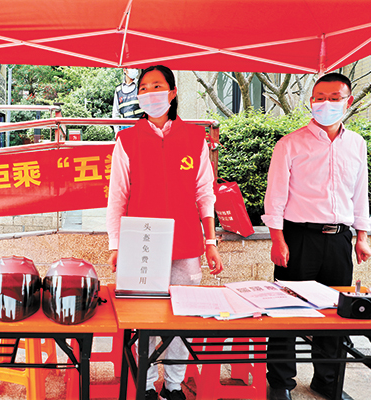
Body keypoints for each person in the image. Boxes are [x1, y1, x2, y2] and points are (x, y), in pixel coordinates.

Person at [107, 65, 223, 400]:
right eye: (143, 88)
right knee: (143, 320)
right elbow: (117, 197)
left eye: (157, 86)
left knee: (180, 319)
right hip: (141, 244)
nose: (149, 93)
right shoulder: (127, 139)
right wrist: (116, 245)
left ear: (172, 93)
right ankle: (144, 386)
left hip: (186, 244)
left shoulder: (193, 137)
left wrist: (210, 241)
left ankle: (173, 385)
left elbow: (205, 192)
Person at [262, 72, 371, 400]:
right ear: (311, 101)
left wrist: (362, 236)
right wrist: (277, 240)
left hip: (340, 240)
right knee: (285, 311)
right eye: (319, 97)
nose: (326, 104)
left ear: (348, 101)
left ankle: (328, 381)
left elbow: (360, 193)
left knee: (338, 314)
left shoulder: (356, 144)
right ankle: (280, 382)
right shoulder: (290, 144)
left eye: (335, 97)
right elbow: (275, 197)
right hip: (299, 239)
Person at [112, 68, 145, 133]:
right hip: (125, 127)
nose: (135, 70)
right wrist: (117, 132)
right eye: (132, 68)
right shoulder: (118, 90)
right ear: (124, 70)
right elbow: (115, 114)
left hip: (140, 127)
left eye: (136, 68)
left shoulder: (141, 86)